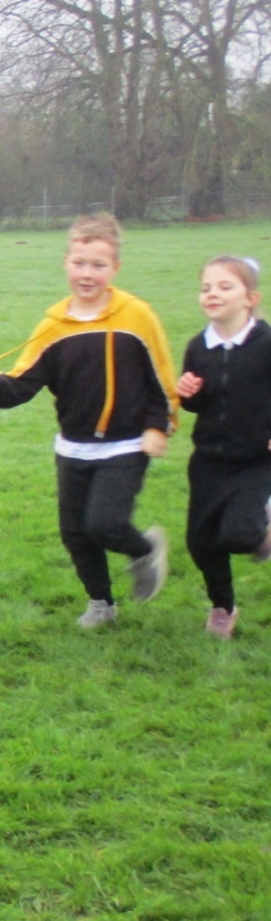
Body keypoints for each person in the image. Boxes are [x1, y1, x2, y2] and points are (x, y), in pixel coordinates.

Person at [0, 214, 177, 628]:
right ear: (65, 263)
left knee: (105, 523)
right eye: (79, 263)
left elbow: (161, 376)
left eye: (98, 265)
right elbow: (18, 385)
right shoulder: (53, 327)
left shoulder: (137, 317)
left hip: (128, 444)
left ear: (115, 268)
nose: (87, 273)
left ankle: (145, 550)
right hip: (73, 448)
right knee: (75, 533)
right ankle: (101, 604)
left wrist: (159, 425)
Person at [176, 255, 271, 639]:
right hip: (208, 461)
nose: (212, 294)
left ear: (250, 298)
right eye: (206, 288)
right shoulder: (198, 347)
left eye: (224, 286)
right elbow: (196, 403)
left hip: (257, 460)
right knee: (200, 543)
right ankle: (223, 607)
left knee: (238, 535)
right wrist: (188, 393)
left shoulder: (266, 344)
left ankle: (264, 523)